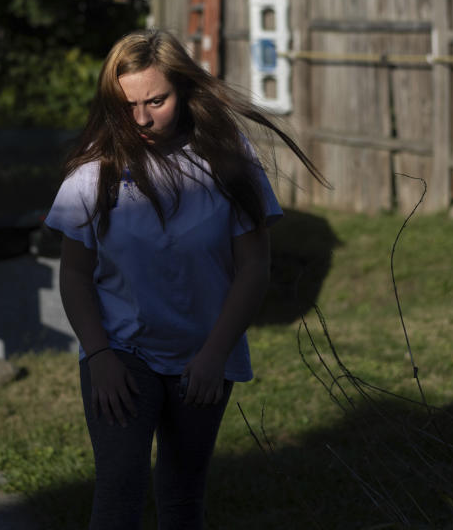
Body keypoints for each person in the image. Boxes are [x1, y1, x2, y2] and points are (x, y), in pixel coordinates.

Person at [44, 29, 324, 530]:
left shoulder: (227, 160)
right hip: (121, 351)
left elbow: (253, 268)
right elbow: (75, 273)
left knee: (182, 496)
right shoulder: (96, 168)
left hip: (204, 352)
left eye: (157, 100)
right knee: (118, 493)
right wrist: (100, 355)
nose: (142, 118)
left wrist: (215, 354)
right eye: (127, 103)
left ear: (184, 90)